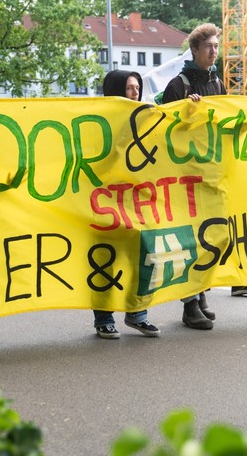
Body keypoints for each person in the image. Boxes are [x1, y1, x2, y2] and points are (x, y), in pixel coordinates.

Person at [160, 23, 247, 329]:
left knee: (211, 235)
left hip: (211, 173)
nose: (214, 51)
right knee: (190, 239)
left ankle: (202, 294)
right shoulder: (178, 86)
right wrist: (182, 112)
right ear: (194, 50)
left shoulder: (217, 84)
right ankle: (190, 304)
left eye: (216, 46)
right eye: (209, 47)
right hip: (185, 176)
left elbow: (227, 121)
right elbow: (164, 129)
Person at [92, 69, 160, 339]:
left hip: (137, 203)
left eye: (137, 87)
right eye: (129, 88)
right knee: (104, 261)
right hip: (104, 203)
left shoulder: (147, 118)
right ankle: (103, 319)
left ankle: (137, 314)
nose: (135, 93)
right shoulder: (97, 122)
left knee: (145, 256)